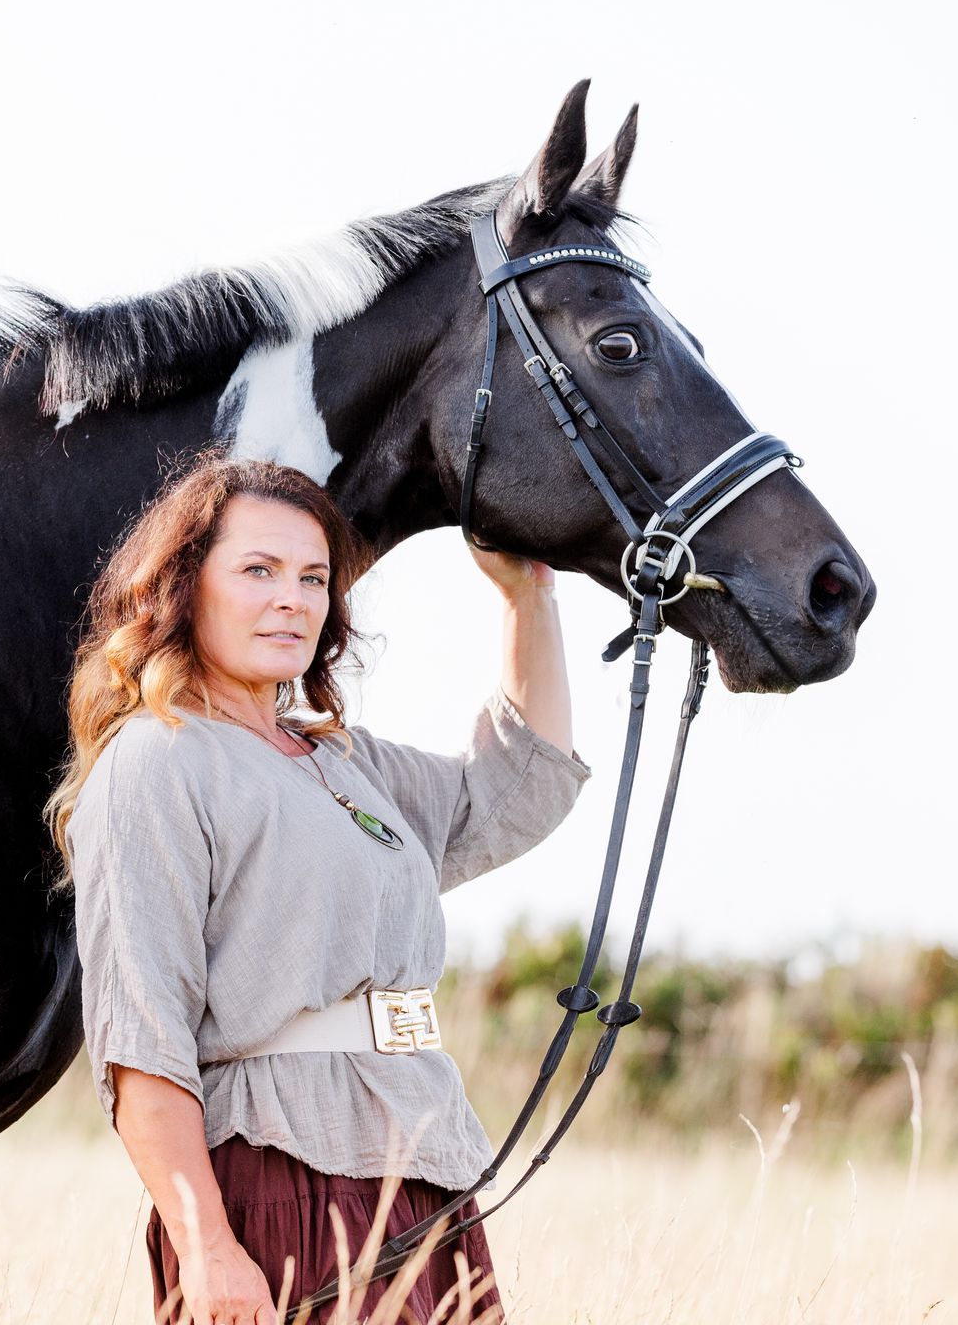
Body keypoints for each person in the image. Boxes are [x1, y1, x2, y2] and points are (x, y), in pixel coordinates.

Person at [43, 449, 592, 1325]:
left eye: (312, 576)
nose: (292, 598)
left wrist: (529, 597)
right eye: (257, 570)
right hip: (279, 1174)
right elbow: (140, 1043)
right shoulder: (159, 761)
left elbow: (517, 789)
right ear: (186, 587)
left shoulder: (340, 758)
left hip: (420, 1160)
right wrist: (208, 1247)